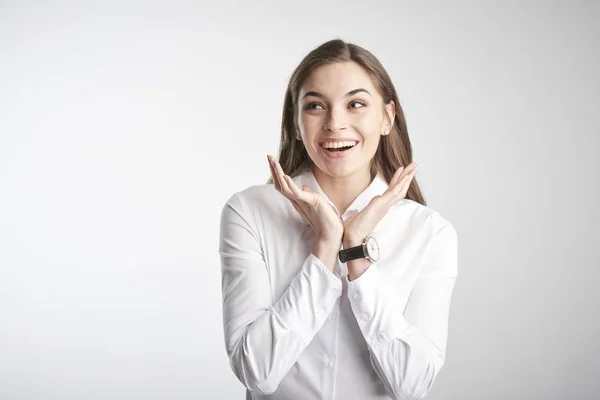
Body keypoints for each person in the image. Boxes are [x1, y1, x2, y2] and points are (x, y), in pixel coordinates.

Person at [218, 39, 458, 400]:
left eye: (356, 104)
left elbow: (412, 386)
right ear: (296, 123)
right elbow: (257, 372)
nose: (335, 123)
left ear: (387, 118)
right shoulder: (250, 212)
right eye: (315, 106)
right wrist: (326, 246)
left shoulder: (429, 232)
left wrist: (356, 253)